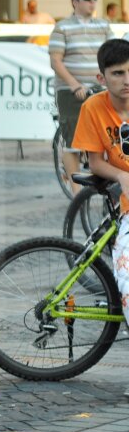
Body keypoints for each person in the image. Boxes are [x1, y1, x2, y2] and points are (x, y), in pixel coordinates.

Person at [72, 38, 129, 313]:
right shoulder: (93, 107)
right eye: (118, 73)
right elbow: (95, 162)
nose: (127, 80)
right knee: (127, 279)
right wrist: (121, 176)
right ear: (101, 78)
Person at [51, 0, 113, 195]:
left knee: (107, 135)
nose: (92, 3)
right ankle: (77, 194)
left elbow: (112, 54)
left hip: (100, 87)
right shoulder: (62, 27)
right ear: (75, 2)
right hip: (71, 90)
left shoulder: (103, 25)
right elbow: (56, 61)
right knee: (72, 142)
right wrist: (73, 84)